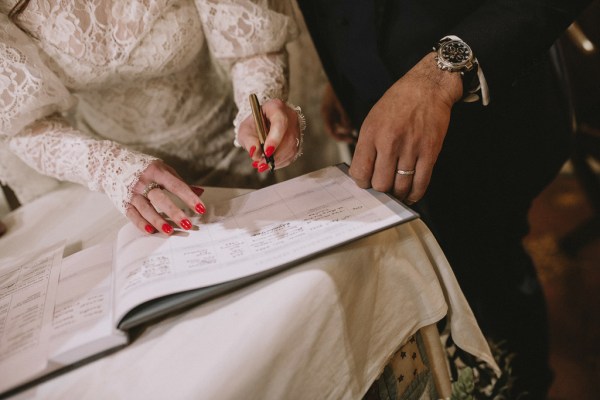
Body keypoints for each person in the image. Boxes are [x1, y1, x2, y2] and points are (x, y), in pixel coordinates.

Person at [296, 1, 593, 398]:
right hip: (370, 95)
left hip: (490, 109)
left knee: (492, 273)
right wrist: (352, 64)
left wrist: (443, 73)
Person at [0, 0, 305, 236]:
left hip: (227, 146)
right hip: (118, 190)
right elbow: (25, 124)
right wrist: (111, 168)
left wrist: (261, 100)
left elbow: (250, 44)